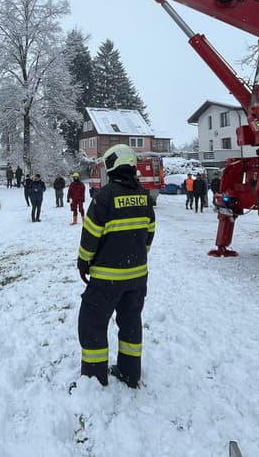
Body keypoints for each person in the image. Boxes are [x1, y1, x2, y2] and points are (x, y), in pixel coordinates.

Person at [77, 144, 155, 388]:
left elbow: (90, 236)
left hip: (106, 280)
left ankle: (93, 378)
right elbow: (149, 236)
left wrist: (83, 262)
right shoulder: (144, 197)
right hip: (137, 278)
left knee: (92, 324)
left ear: (111, 166)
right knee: (131, 323)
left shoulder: (104, 197)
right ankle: (130, 372)